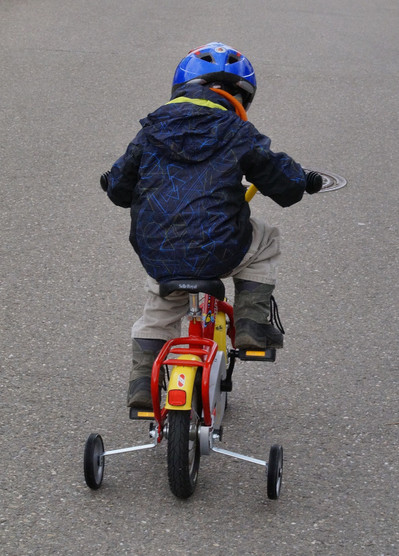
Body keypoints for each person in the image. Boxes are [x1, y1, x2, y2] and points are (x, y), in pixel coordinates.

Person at [100, 42, 322, 409]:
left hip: (159, 253)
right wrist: (304, 181)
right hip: (221, 249)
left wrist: (110, 180)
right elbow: (282, 182)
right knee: (265, 238)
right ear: (241, 99)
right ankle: (251, 325)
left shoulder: (152, 128)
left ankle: (142, 382)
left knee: (159, 306)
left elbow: (120, 189)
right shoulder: (237, 131)